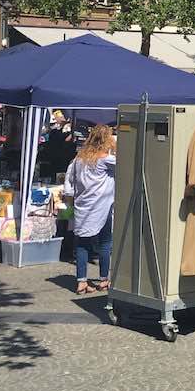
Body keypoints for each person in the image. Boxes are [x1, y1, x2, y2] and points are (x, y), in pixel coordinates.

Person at [62, 124, 117, 295]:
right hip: (102, 206)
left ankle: (81, 281)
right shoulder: (107, 160)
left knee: (82, 243)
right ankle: (104, 279)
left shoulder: (79, 159)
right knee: (105, 243)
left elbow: (69, 182)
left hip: (82, 205)